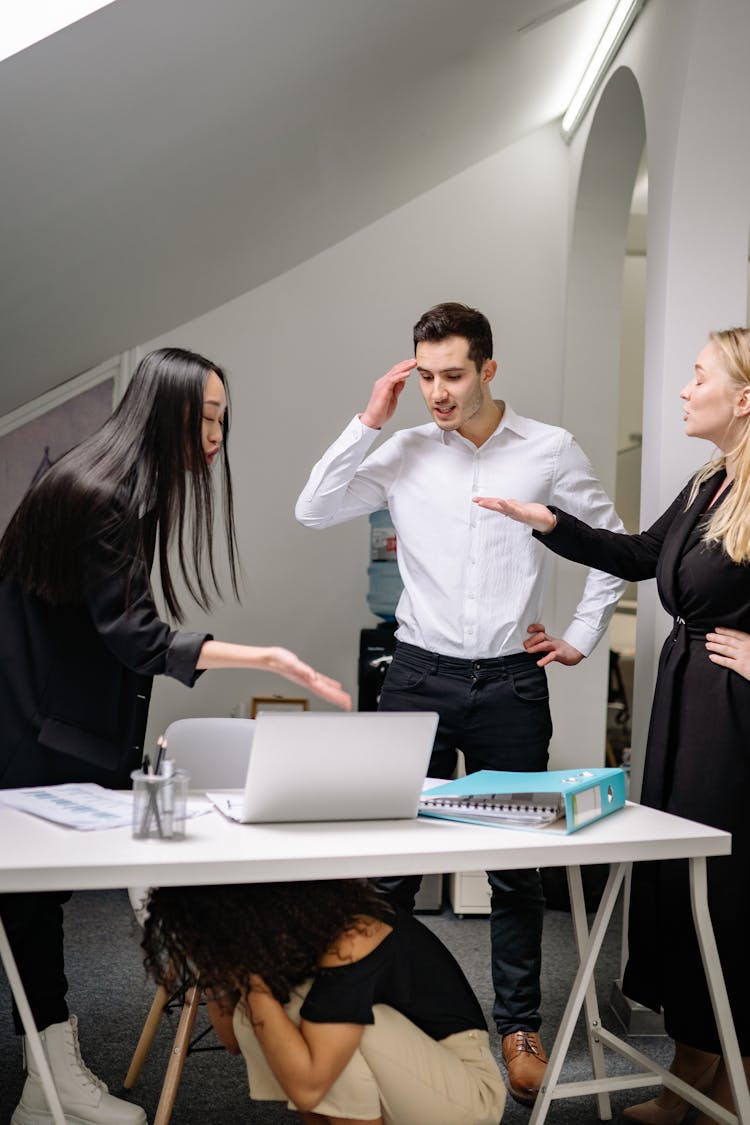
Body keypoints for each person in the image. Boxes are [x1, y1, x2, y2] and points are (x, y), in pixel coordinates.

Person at [0, 347, 350, 1125]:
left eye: (224, 417)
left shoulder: (112, 487)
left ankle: (48, 1081)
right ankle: (49, 1084)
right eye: (206, 416)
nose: (217, 434)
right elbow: (138, 639)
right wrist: (265, 655)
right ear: (163, 411)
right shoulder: (100, 496)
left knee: (51, 906)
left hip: (58, 725)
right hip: (34, 733)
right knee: (33, 909)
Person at [295, 302, 625, 1104]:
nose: (437, 392)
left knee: (516, 872)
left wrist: (581, 632)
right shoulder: (403, 448)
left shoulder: (548, 450)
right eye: (426, 376)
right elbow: (313, 507)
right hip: (415, 678)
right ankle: (389, 1016)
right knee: (392, 868)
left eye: (452, 375)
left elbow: (611, 543)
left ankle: (518, 1027)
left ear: (487, 369)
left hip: (512, 682)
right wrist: (367, 420)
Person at [473, 326, 750, 1125]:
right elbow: (635, 554)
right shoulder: (709, 483)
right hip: (684, 704)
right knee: (673, 888)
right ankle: (686, 1077)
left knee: (724, 895)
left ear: (742, 397)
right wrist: (546, 520)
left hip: (733, 721)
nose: (682, 388)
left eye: (697, 376)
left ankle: (731, 1082)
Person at [142, 878, 507, 1125]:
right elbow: (233, 1040)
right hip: (410, 1078)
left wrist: (250, 975)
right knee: (258, 1015)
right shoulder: (292, 935)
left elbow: (308, 1089)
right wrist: (215, 962)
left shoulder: (351, 936)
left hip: (466, 1097)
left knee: (320, 1033)